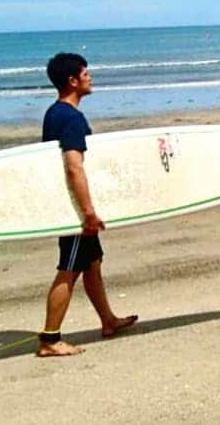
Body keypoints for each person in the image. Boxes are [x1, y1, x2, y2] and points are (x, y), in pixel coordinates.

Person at [36, 52, 137, 357]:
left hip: (70, 205)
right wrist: (88, 212)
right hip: (76, 211)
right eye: (86, 73)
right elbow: (73, 166)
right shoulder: (71, 118)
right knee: (70, 268)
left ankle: (108, 320)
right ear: (72, 80)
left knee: (92, 263)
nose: (90, 77)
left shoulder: (54, 113)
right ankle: (50, 340)